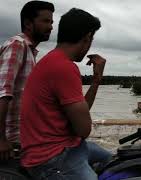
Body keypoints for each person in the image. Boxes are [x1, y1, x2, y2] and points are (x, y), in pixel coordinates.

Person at [20, 8, 112, 179]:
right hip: (51, 158)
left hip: (70, 147)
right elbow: (83, 129)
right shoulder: (64, 67)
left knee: (117, 163)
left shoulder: (53, 60)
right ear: (87, 38)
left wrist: (96, 79)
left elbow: (80, 115)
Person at [0, 1, 54, 161]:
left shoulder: (30, 50)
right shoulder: (17, 45)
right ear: (28, 23)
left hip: (24, 141)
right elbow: (3, 92)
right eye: (45, 21)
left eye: (51, 22)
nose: (51, 27)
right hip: (11, 143)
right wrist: (1, 139)